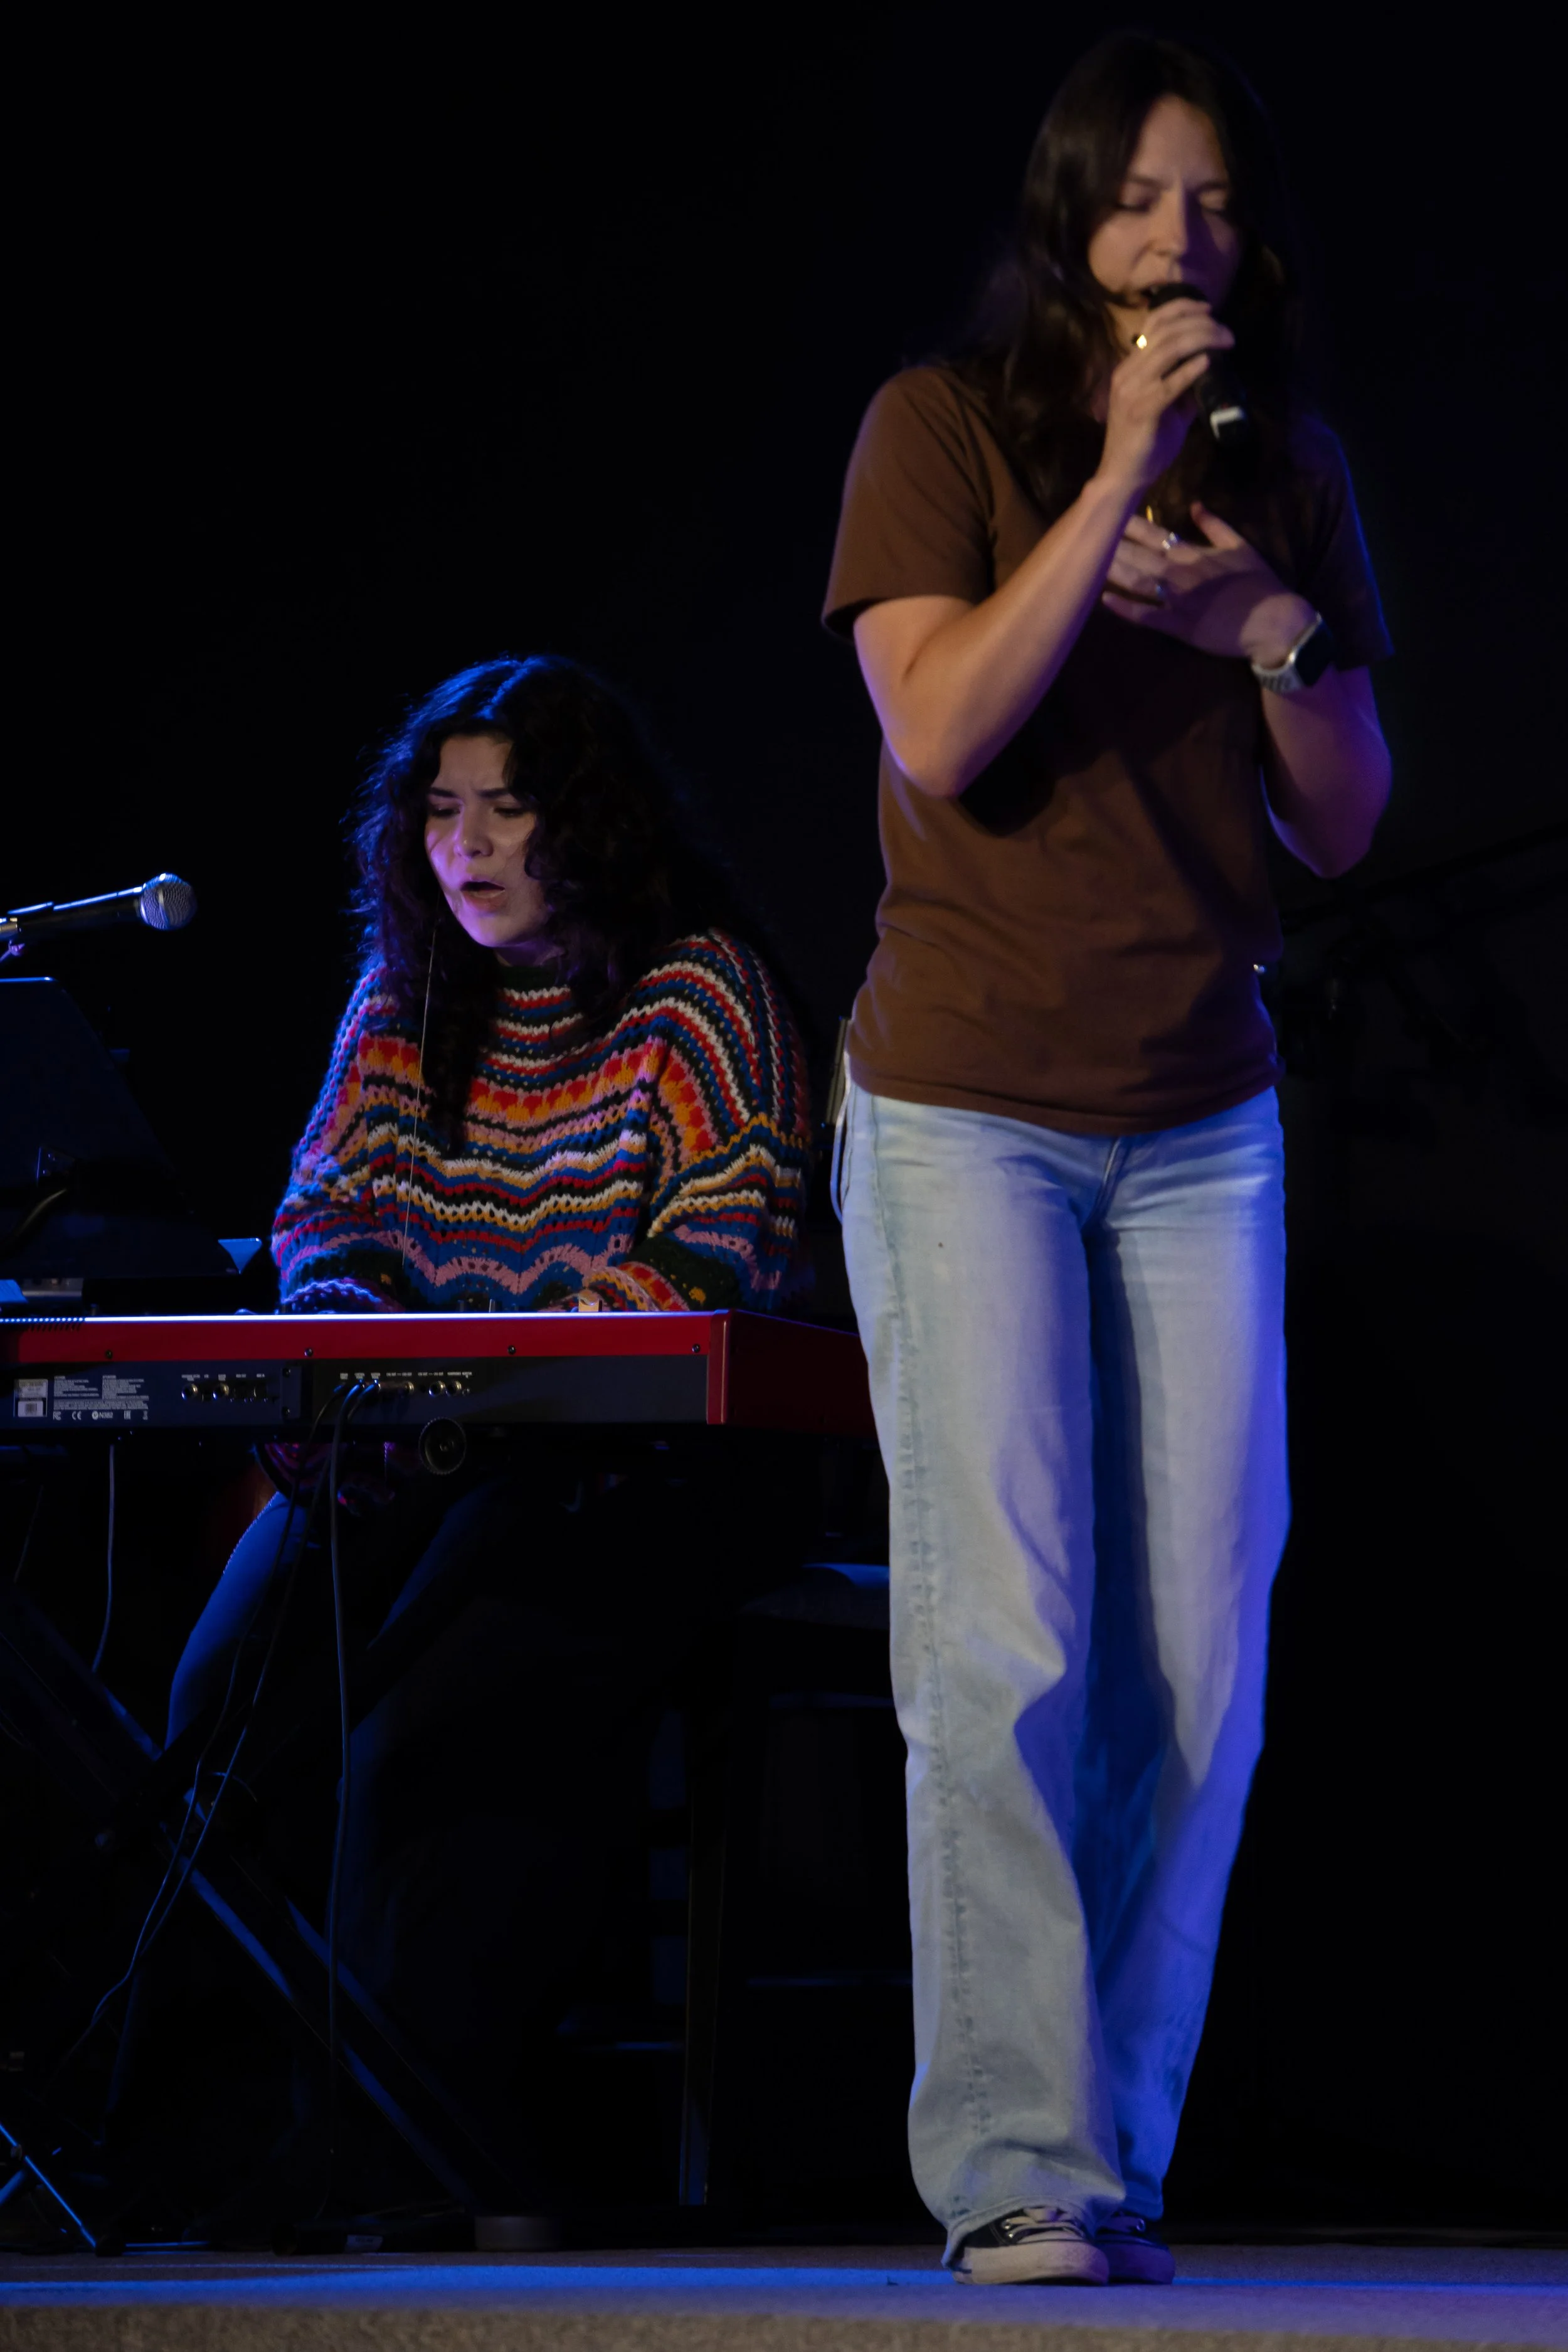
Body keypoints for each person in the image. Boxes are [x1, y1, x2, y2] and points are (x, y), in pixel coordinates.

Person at [824, 32, 1391, 2287]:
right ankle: (1015, 2162)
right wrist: (1114, 488)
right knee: (1012, 1635)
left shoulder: (1297, 474)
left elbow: (1342, 814)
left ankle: (1109, 2146)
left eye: (1221, 205)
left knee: (1200, 1650)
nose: (1188, 240)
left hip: (1203, 1113)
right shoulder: (938, 430)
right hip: (967, 1096)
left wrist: (1271, 622)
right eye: (1148, 201)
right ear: (1071, 223)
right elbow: (946, 727)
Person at [131, 654, 813, 2227]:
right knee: (223, 1690)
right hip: (422, 1452)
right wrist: (369, 1349)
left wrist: (509, 1363)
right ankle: (195, 2151)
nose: (468, 845)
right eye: (440, 812)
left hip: (644, 1474)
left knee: (422, 1734)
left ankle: (401, 2160)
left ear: (592, 818)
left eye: (508, 808)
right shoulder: (405, 992)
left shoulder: (696, 988)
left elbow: (721, 1244)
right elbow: (326, 1213)